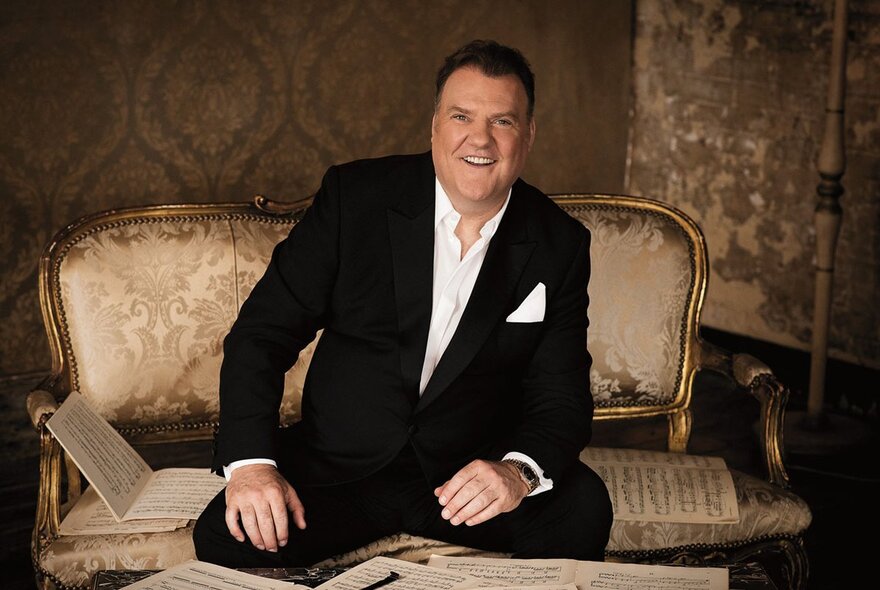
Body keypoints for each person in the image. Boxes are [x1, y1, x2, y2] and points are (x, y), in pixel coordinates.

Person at [194, 39, 612, 567]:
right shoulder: (356, 197)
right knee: (224, 533)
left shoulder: (558, 243)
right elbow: (263, 334)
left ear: (527, 135)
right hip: (340, 467)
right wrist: (252, 466)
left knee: (582, 509)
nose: (479, 138)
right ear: (435, 124)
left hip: (464, 486)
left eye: (502, 121)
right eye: (462, 115)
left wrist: (516, 472)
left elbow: (561, 396)